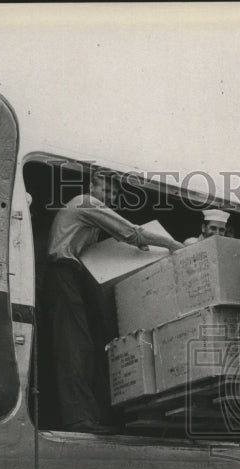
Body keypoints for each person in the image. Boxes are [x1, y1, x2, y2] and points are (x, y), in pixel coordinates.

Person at [46, 169, 183, 431]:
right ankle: (78, 419)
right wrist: (171, 244)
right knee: (74, 346)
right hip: (62, 273)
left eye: (113, 193)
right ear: (92, 187)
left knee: (82, 344)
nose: (108, 197)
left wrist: (139, 244)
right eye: (105, 190)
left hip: (69, 276)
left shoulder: (90, 216)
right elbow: (132, 232)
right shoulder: (88, 203)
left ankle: (87, 415)